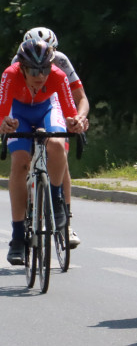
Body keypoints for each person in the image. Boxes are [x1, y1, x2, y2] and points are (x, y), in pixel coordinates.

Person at [1, 39, 87, 264]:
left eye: (45, 69)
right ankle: (18, 237)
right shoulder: (10, 74)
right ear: (21, 67)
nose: (40, 76)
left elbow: (70, 112)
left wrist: (76, 122)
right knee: (20, 161)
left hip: (45, 109)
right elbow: (1, 110)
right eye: (33, 70)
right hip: (18, 112)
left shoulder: (58, 75)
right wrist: (3, 123)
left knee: (58, 144)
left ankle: (57, 200)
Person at [18, 27, 90, 248]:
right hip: (25, 107)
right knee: (21, 161)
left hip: (55, 106)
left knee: (60, 157)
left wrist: (79, 118)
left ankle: (65, 223)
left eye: (51, 51)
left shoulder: (61, 60)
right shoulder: (18, 61)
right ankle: (23, 219)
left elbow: (81, 97)